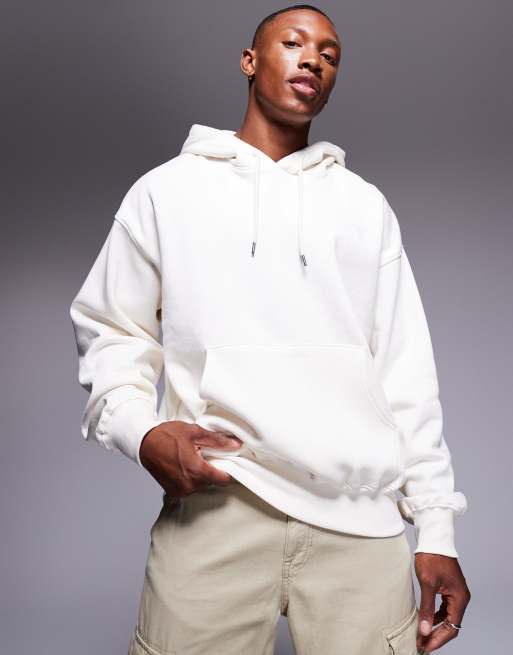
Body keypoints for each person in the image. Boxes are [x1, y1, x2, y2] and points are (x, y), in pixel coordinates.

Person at [69, 4, 471, 654]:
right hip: (217, 506)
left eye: (329, 54)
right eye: (293, 42)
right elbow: (112, 328)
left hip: (358, 526)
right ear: (249, 61)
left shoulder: (364, 206)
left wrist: (436, 531)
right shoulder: (165, 192)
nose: (313, 58)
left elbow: (406, 377)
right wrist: (142, 434)